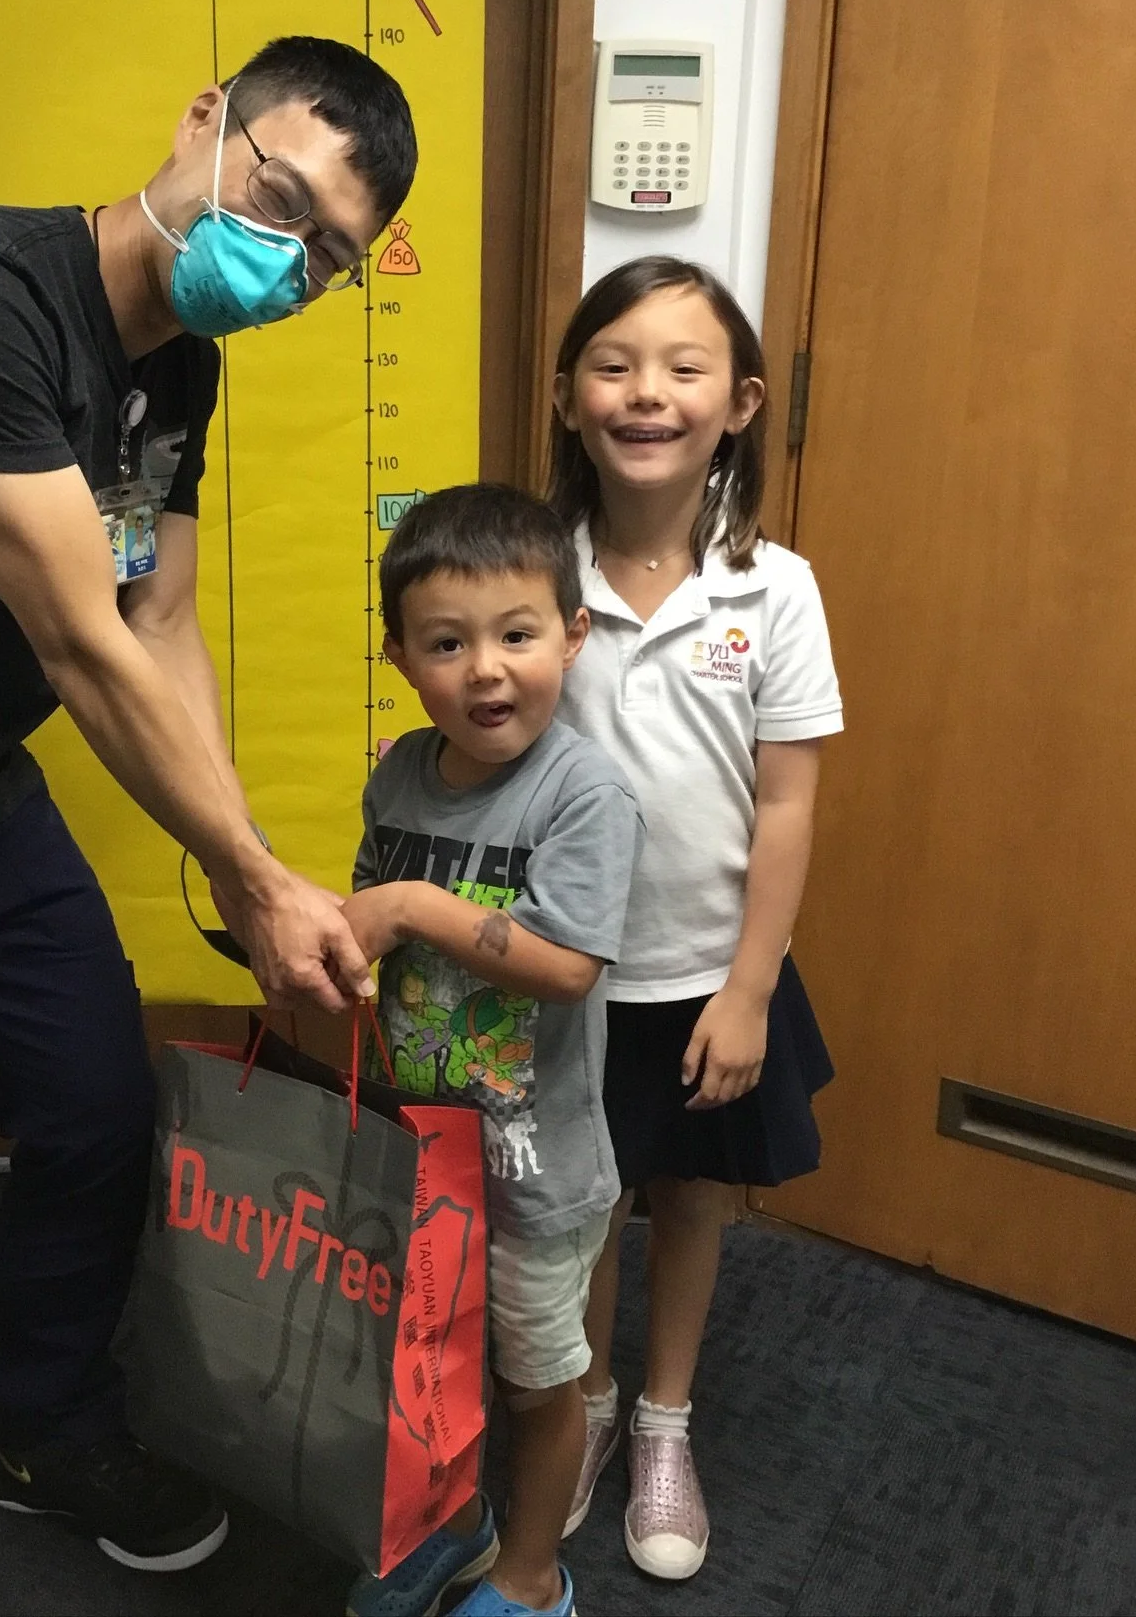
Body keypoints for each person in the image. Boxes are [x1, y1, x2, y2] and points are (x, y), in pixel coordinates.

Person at [0, 37, 415, 1617]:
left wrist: (238, 867)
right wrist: (257, 874)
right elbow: (82, 646)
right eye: (277, 196)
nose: (285, 256)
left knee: (102, 1115)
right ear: (201, 124)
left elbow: (159, 615)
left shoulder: (184, 361)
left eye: (326, 255)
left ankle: (42, 1425)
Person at [547, 256, 842, 1580]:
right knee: (581, 1202)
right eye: (614, 364)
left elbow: (785, 807)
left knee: (692, 1192)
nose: (647, 392)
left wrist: (750, 989)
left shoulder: (774, 590)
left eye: (684, 367)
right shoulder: (533, 572)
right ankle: (588, 1408)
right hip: (565, 976)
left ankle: (666, 1418)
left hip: (708, 973)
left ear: (741, 402)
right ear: (567, 399)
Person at [340, 484, 644, 1617]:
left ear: (571, 634)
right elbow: (379, 919)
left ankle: (531, 1573)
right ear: (401, 656)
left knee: (538, 1381)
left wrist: (413, 907)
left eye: (518, 635)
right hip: (420, 1149)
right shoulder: (401, 774)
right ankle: (447, 1525)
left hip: (536, 1175)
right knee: (431, 1363)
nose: (486, 671)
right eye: (447, 643)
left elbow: (567, 965)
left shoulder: (584, 794)